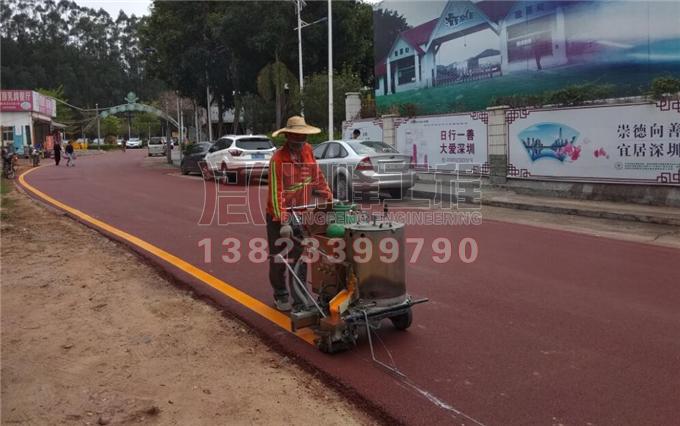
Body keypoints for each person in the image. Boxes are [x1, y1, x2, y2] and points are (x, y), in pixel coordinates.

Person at [266, 116, 332, 312]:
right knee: (279, 256)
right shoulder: (278, 159)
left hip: (302, 210)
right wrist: (283, 221)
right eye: (295, 137)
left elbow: (317, 175)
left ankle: (300, 297)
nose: (299, 140)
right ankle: (280, 293)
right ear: (288, 136)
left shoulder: (308, 151)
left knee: (300, 255)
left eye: (302, 136)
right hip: (279, 214)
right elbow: (276, 193)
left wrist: (328, 197)